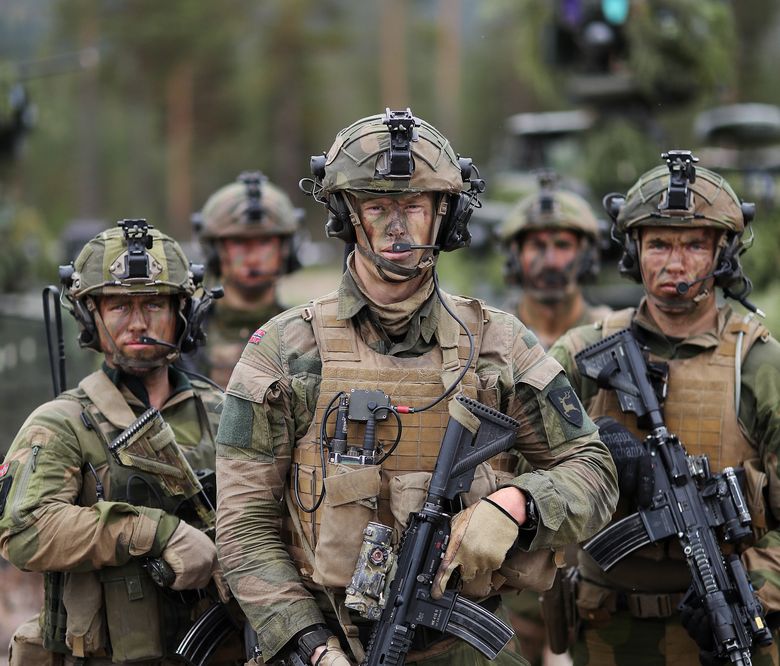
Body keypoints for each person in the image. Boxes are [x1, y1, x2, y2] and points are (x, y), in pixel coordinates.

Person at [215, 107, 618, 666]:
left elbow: (594, 470)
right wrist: (309, 644)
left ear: (444, 217)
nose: (397, 227)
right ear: (348, 215)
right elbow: (243, 526)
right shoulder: (285, 351)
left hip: (465, 644)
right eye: (377, 207)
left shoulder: (498, 344)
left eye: (414, 207)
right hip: (328, 643)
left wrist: (518, 503)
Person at [548, 151, 780, 665]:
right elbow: (514, 462)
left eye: (694, 245)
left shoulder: (760, 365)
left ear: (723, 253)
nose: (675, 263)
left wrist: (752, 590)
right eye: (658, 244)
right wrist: (594, 443)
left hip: (729, 627)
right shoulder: (582, 353)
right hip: (609, 633)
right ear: (634, 250)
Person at [0, 220, 240, 665]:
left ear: (182, 313)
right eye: (119, 306)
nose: (138, 322)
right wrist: (154, 533)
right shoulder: (63, 422)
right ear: (91, 315)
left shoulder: (225, 413)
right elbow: (24, 531)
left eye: (154, 304)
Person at [189, 171, 301, 388]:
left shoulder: (306, 334)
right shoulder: (186, 335)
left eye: (265, 242)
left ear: (285, 250)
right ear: (215, 252)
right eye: (239, 242)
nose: (252, 258)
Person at [497, 173, 611, 350]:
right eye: (537, 246)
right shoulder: (492, 337)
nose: (550, 262)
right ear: (515, 255)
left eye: (563, 245)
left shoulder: (610, 335)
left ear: (587, 256)